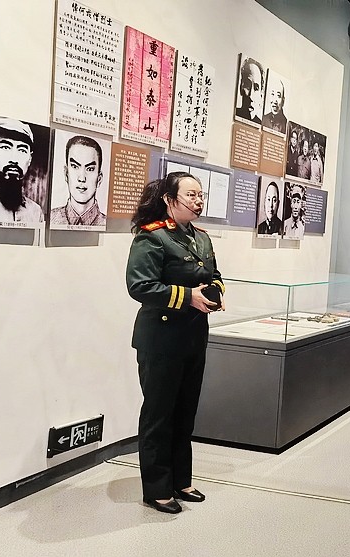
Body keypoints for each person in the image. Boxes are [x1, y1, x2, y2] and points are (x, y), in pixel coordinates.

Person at [125, 171, 223, 514]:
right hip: (161, 339)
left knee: (185, 411)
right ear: (169, 199)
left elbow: (214, 276)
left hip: (193, 337)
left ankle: (181, 480)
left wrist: (214, 294)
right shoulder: (152, 237)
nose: (198, 202)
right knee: (159, 413)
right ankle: (157, 489)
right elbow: (140, 286)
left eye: (200, 195)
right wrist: (188, 297)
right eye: (190, 195)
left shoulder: (201, 238)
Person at [50, 135, 107, 227]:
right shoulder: (50, 218)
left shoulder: (107, 223)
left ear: (99, 178)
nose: (82, 178)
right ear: (66, 173)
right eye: (75, 166)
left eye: (90, 169)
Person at [235, 57, 264, 125]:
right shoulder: (233, 113)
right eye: (248, 86)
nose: (251, 96)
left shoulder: (260, 123)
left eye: (256, 88)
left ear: (261, 95)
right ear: (241, 87)